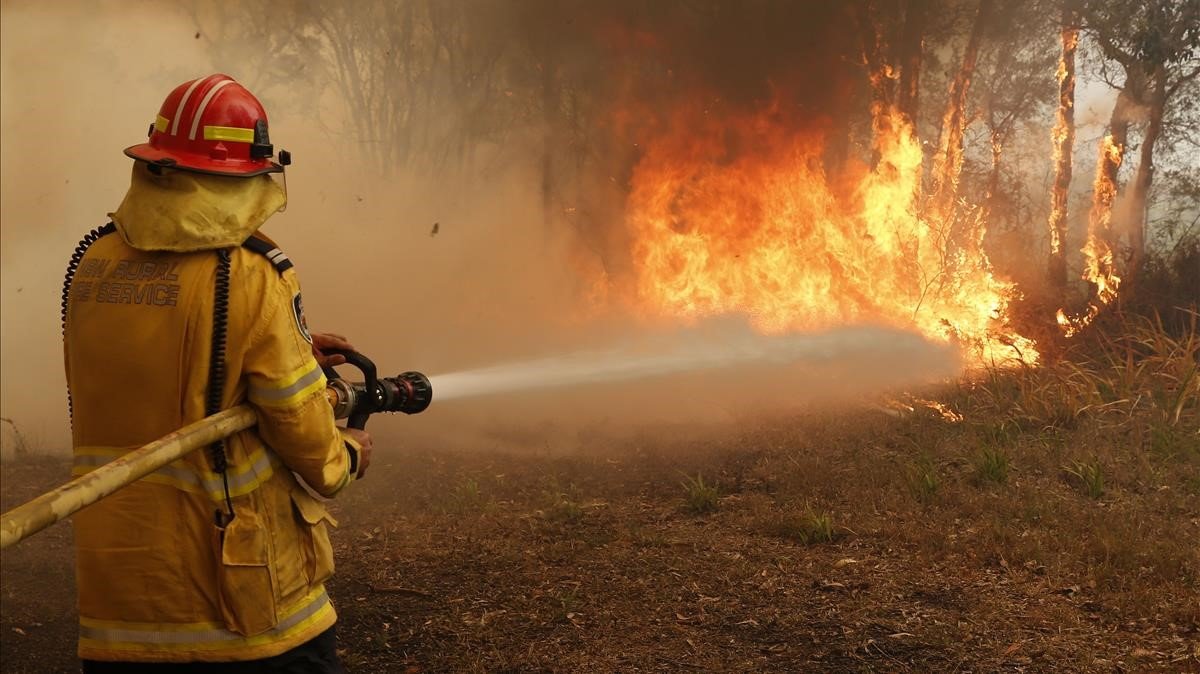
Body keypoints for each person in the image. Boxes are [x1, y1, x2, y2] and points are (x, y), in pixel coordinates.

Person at [62, 73, 371, 672]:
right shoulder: (251, 272)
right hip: (242, 606)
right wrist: (348, 454)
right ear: (244, 174)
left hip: (118, 600)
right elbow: (302, 430)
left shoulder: (94, 263)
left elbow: (162, 372)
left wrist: (291, 344)